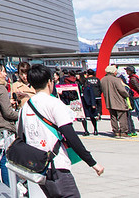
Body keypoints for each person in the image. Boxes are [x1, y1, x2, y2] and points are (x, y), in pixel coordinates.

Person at [21, 65, 104, 197]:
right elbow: (70, 135)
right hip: (56, 166)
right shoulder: (54, 104)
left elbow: (22, 136)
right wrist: (92, 162)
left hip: (38, 167)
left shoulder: (26, 106)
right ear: (49, 82)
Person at [99, 65, 130, 138]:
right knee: (122, 116)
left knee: (113, 117)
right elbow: (122, 90)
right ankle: (123, 131)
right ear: (113, 72)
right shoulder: (116, 80)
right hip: (119, 101)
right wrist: (127, 94)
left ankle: (115, 131)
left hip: (109, 101)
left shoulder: (102, 80)